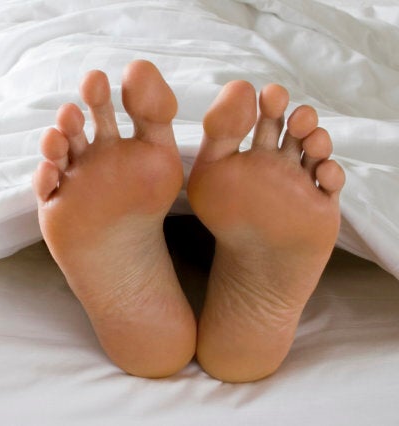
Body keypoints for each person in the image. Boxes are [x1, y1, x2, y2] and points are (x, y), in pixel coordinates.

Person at [31, 60, 345, 383]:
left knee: (83, 183)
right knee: (258, 202)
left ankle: (132, 292)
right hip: (253, 193)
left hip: (110, 186)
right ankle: (246, 302)